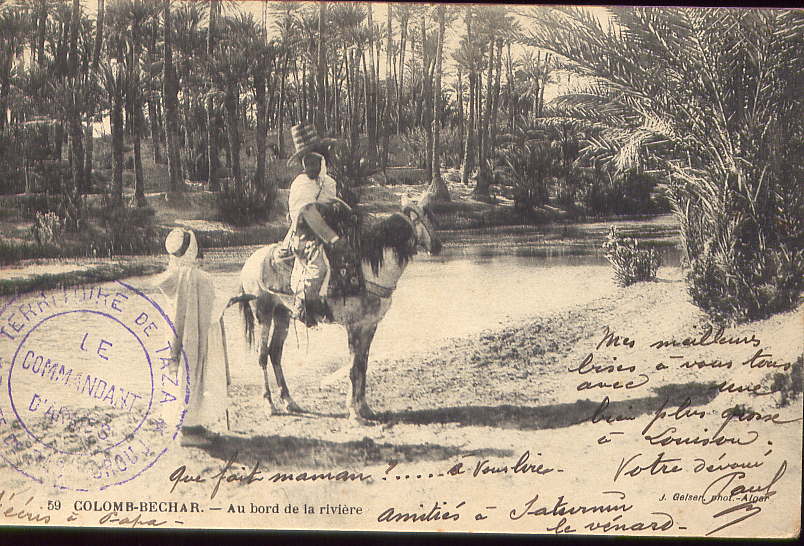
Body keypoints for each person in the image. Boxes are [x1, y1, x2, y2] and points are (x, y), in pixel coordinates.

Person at [156, 228, 228, 446]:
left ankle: (192, 425)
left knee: (182, 374)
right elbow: (214, 307)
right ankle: (188, 432)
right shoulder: (198, 278)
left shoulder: (172, 275)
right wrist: (232, 299)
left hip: (176, 335)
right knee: (194, 375)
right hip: (194, 335)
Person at [282, 123, 347, 326]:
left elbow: (331, 205)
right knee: (318, 266)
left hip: (325, 230)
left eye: (314, 161)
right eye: (307, 162)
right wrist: (333, 238)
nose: (310, 167)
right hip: (304, 234)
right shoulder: (301, 184)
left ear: (321, 161)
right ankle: (304, 305)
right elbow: (310, 214)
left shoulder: (327, 183)